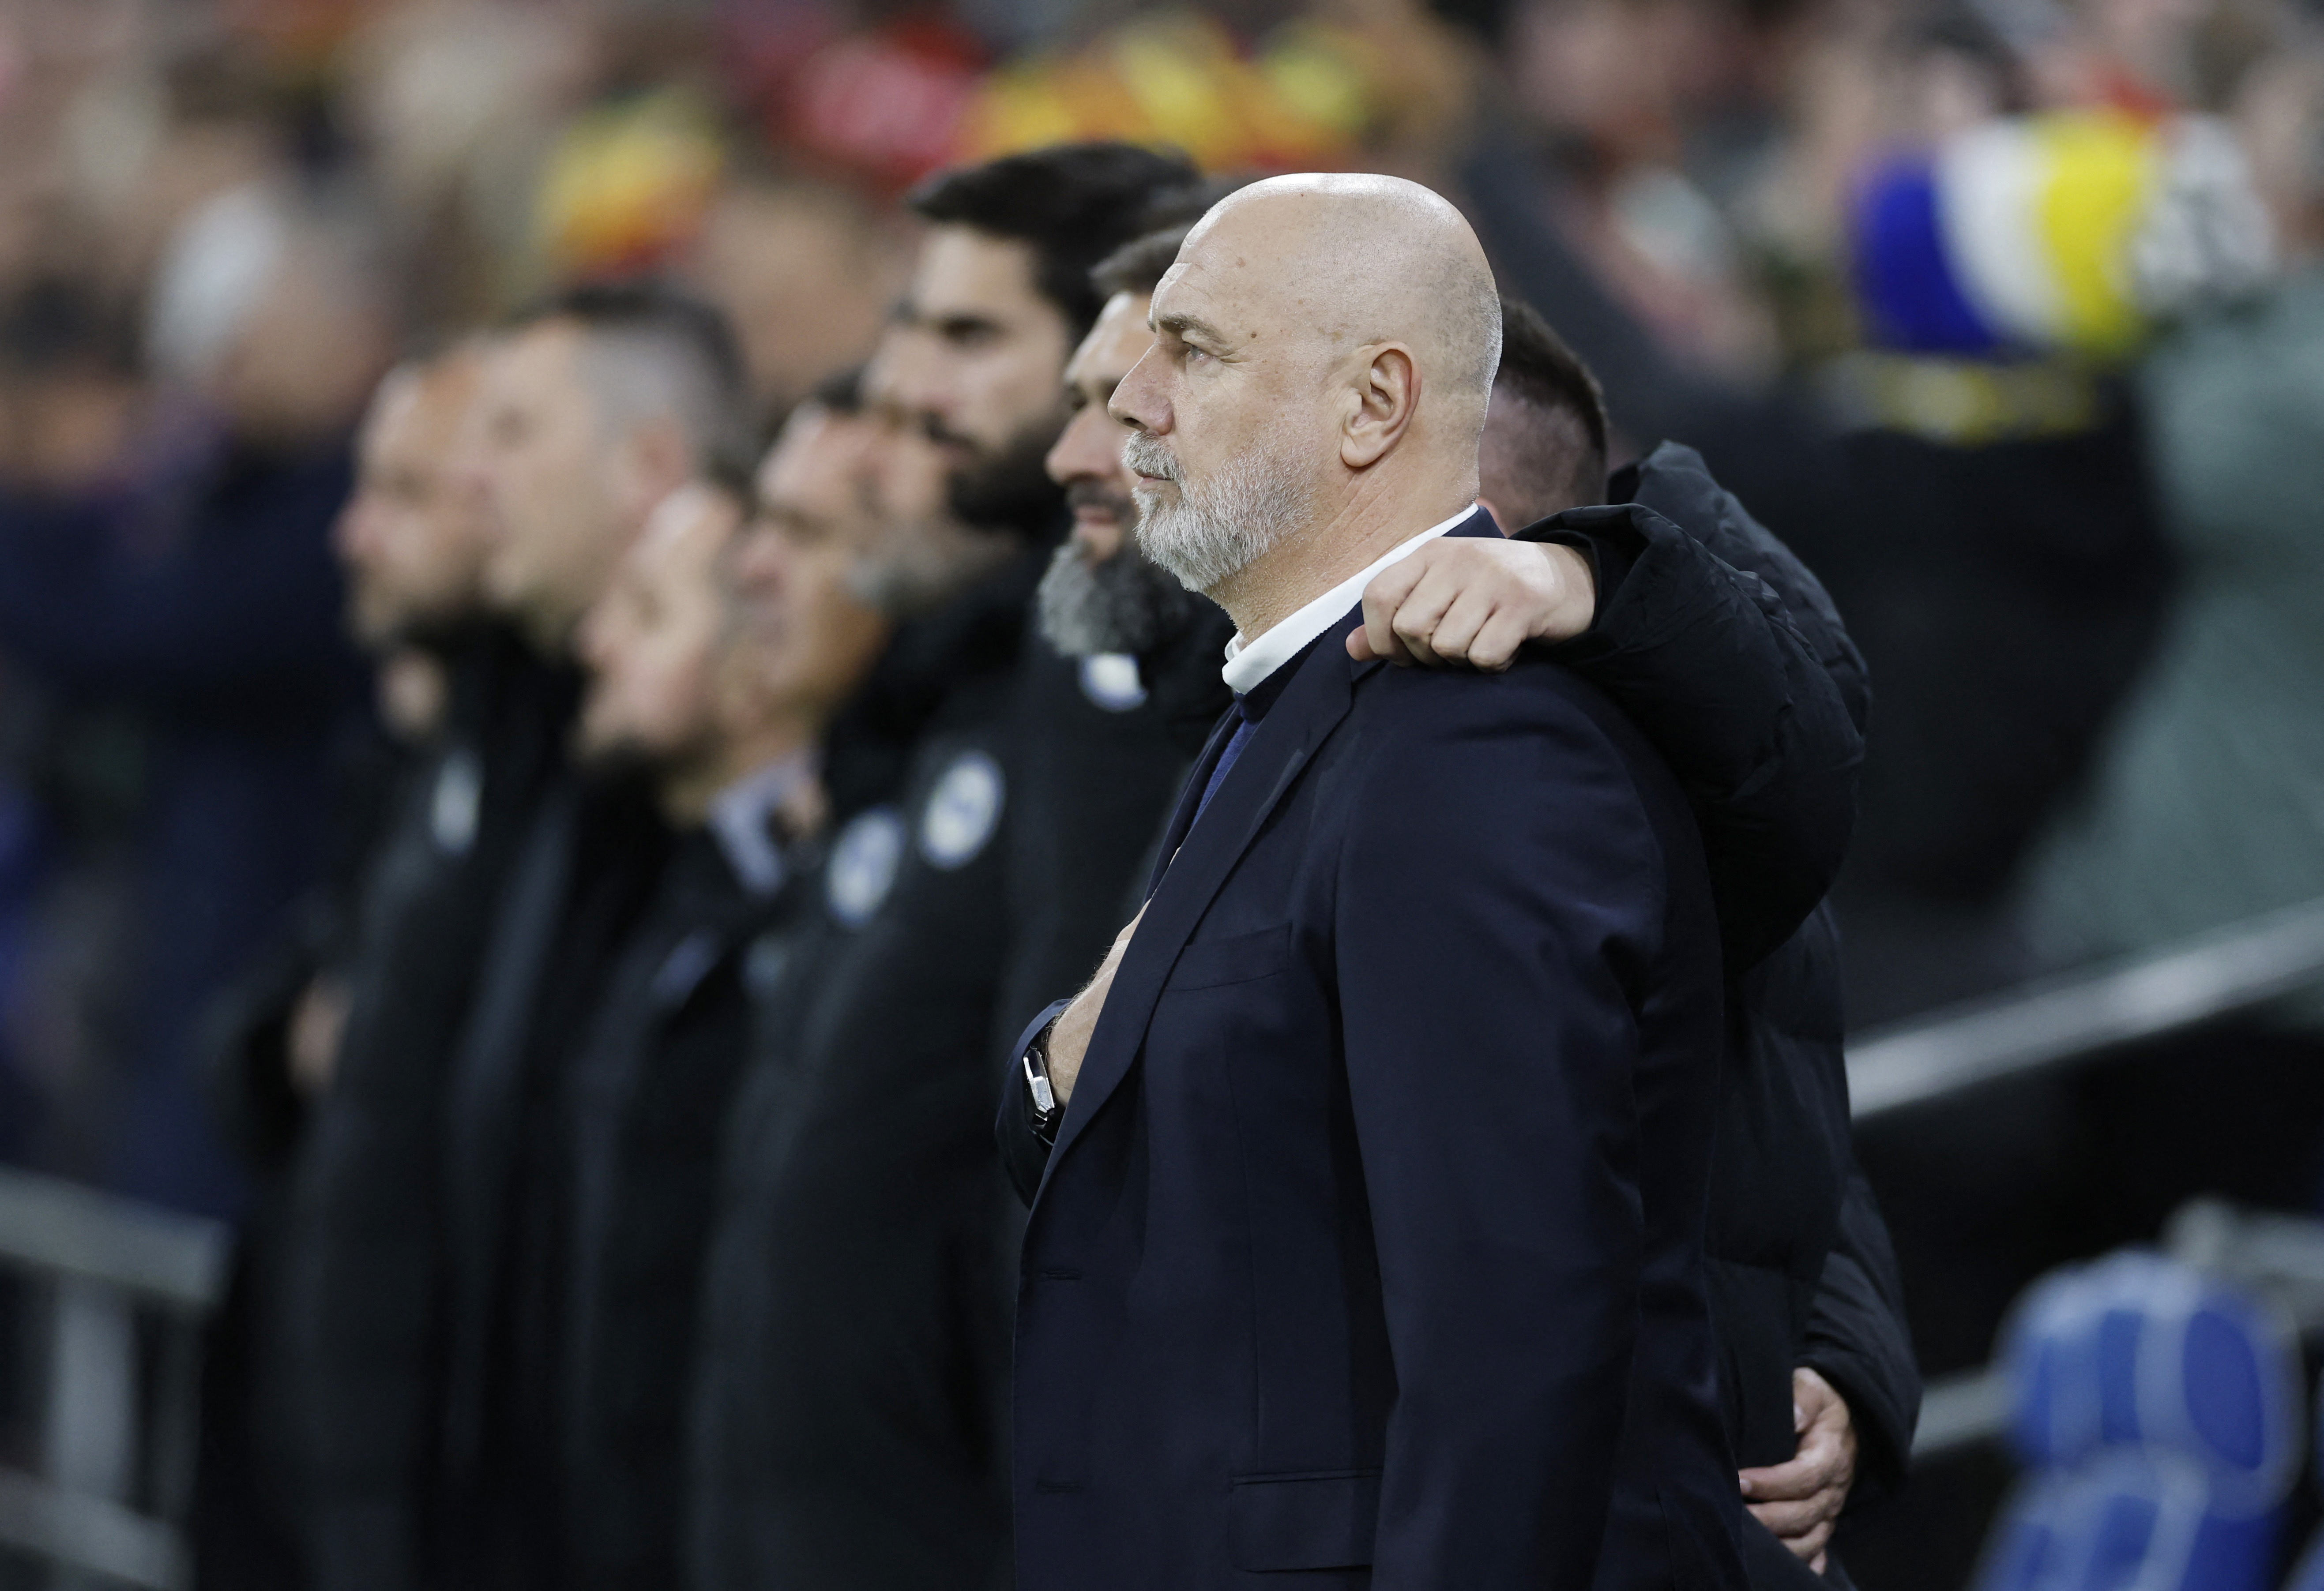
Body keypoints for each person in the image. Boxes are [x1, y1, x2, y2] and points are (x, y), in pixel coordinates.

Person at [1041, 236, 1914, 1576]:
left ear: (1376, 406)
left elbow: (1512, 1332)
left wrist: (1840, 1339)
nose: (1124, 414)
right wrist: (1048, 1070)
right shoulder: (1275, 718)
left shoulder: (1475, 754)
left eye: (1191, 352)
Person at [684, 143, 1196, 1591]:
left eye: (970, 337)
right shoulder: (977, 689)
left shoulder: (1151, 687)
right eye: (906, 324)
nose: (905, 383)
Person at [422, 282, 749, 1591]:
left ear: (651, 464)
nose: (469, 479)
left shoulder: (688, 793)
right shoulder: (522, 721)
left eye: (510, 432)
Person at [552, 462, 885, 1591]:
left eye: (648, 613)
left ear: (753, 673)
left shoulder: (828, 924)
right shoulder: (662, 892)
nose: (595, 644)